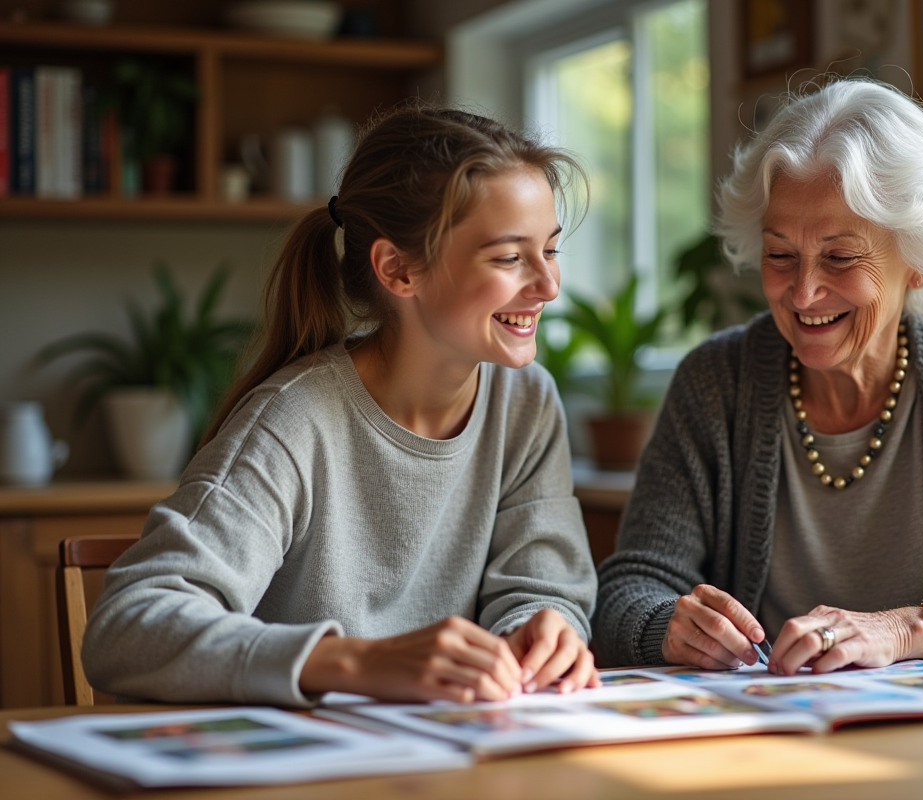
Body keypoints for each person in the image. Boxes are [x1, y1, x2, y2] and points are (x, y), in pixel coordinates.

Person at [594, 79, 923, 674]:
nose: (803, 292)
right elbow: (626, 593)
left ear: (918, 262)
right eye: (780, 255)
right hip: (766, 733)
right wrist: (667, 626)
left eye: (841, 257)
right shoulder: (716, 380)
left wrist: (908, 629)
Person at [83, 104, 600, 707]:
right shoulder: (294, 421)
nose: (548, 285)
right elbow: (127, 626)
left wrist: (542, 628)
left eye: (552, 250)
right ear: (398, 269)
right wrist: (354, 661)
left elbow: (545, 589)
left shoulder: (526, 402)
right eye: (510, 257)